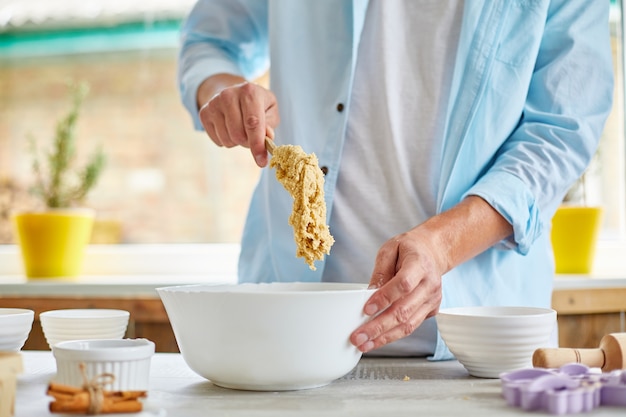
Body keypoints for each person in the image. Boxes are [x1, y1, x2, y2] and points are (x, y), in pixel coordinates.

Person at [178, 0, 614, 360]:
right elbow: (209, 42)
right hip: (286, 336)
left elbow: (561, 131)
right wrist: (223, 91)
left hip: (480, 345)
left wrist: (441, 245)